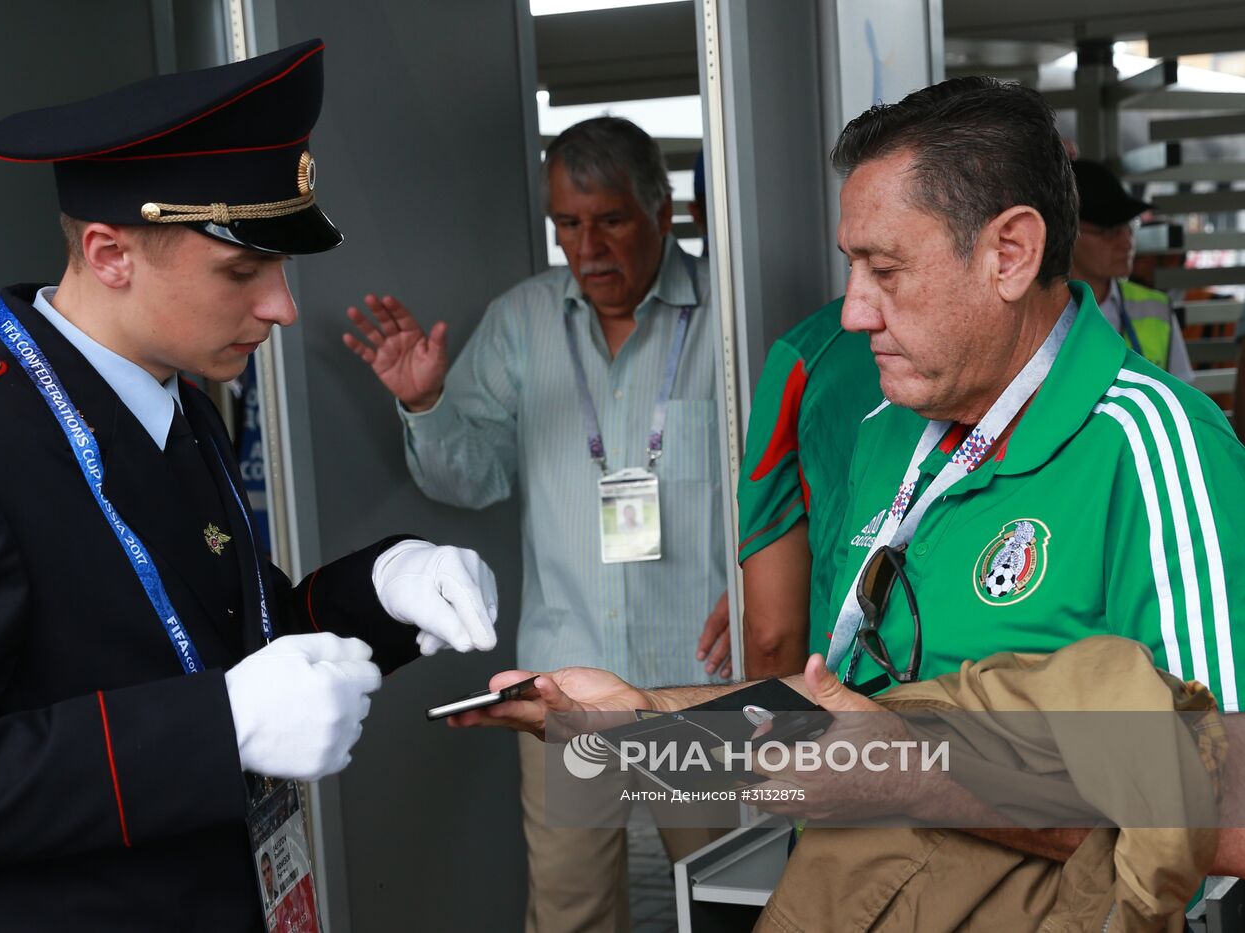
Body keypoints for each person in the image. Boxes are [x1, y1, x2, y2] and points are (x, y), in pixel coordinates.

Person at [456, 74, 1245, 908]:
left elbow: (1221, 813)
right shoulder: (888, 429)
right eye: (851, 267)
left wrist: (899, 770)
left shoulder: (1150, 448)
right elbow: (846, 714)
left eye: (886, 269)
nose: (854, 312)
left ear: (1009, 253)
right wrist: (643, 719)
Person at [0, 39, 500, 932]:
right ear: (111, 254)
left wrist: (385, 587)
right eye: (242, 270)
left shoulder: (176, 401)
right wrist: (214, 730)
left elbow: (215, 638)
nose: (282, 306)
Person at [343, 116, 728, 932]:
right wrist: (424, 402)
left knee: (727, 900)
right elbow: (470, 477)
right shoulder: (523, 320)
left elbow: (787, 483)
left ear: (663, 212)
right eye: (567, 223)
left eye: (611, 219)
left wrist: (761, 595)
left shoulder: (729, 317)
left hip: (700, 684)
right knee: (571, 911)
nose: (587, 247)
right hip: (565, 682)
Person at [736, 297, 881, 677]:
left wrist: (773, 733)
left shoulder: (809, 351)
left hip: (846, 693)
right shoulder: (1042, 332)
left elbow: (772, 636)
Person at [1071, 159, 1194, 382]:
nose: (1126, 242)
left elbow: (1182, 401)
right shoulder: (1035, 312)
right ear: (1068, 233)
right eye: (1109, 230)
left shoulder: (1158, 308)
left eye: (1129, 226)